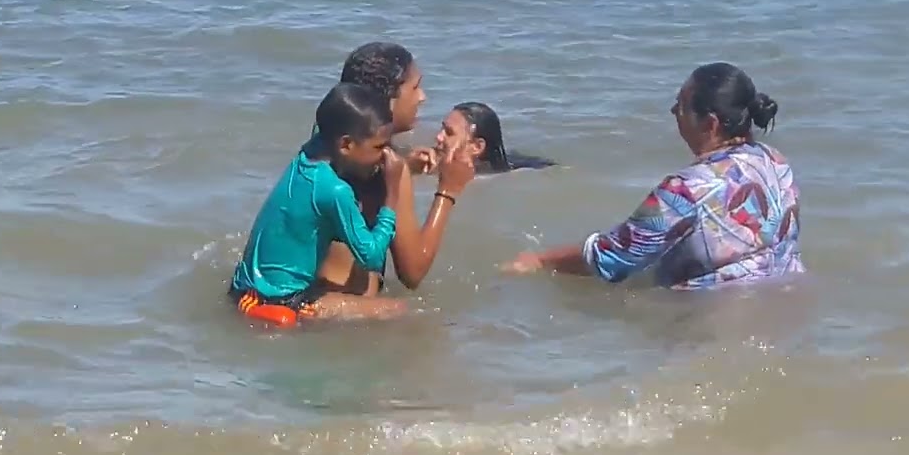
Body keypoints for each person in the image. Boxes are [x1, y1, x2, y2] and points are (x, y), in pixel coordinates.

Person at [502, 62, 804, 290]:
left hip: (714, 321)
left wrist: (539, 261)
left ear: (710, 124)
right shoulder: (774, 161)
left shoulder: (684, 191)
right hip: (783, 299)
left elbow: (613, 258)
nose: (673, 111)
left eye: (681, 106)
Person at [230, 83, 409, 321]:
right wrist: (393, 192)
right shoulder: (335, 191)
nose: (387, 155)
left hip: (245, 287)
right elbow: (372, 257)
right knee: (398, 311)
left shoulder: (308, 154)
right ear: (345, 145)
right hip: (278, 302)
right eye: (379, 147)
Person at [317, 42, 477, 294]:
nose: (422, 97)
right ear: (388, 101)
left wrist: (407, 170)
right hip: (348, 316)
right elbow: (412, 272)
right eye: (414, 88)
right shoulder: (389, 167)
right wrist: (449, 189)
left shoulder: (334, 148)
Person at [413, 101, 556, 175]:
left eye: (449, 133)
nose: (438, 137)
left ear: (477, 147)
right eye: (442, 128)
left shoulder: (487, 178)